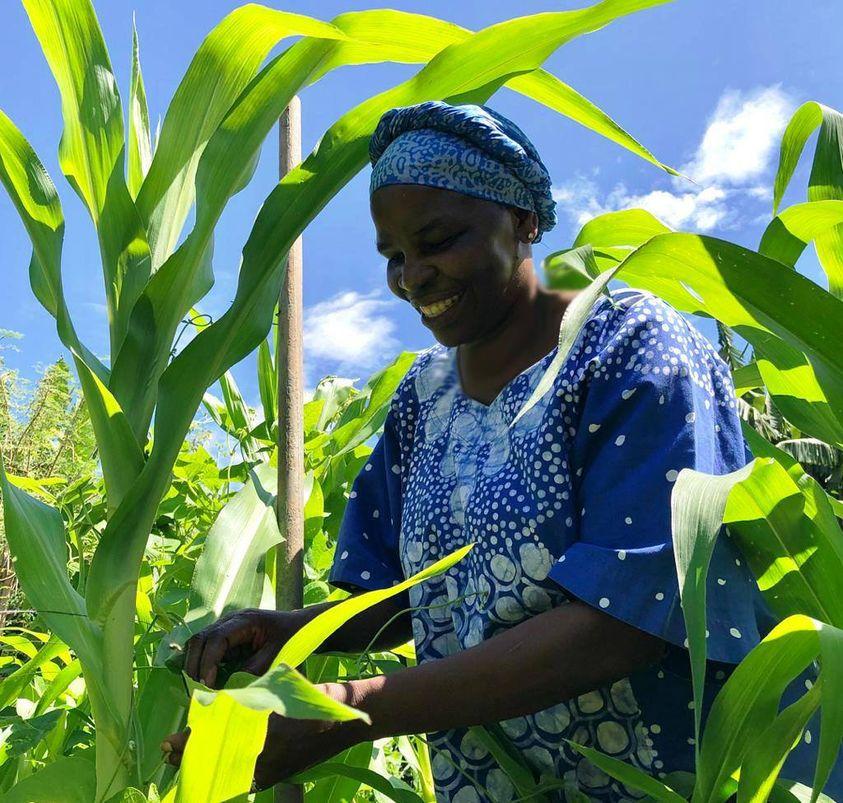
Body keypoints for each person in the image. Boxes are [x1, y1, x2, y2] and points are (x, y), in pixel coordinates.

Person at [162, 101, 835, 801]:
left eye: (438, 239)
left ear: (523, 222)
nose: (411, 275)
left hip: (681, 774)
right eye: (394, 255)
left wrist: (345, 712)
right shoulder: (422, 403)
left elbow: (633, 614)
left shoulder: (626, 346)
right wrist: (288, 631)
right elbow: (414, 601)